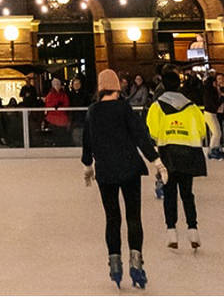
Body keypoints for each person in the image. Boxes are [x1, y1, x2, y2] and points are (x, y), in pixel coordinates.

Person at [82, 70, 167, 289]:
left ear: (100, 88)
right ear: (117, 88)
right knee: (133, 217)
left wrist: (88, 165)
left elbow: (87, 141)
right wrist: (155, 160)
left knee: (112, 219)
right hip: (129, 169)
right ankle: (136, 265)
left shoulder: (92, 111)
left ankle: (115, 265)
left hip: (106, 171)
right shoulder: (123, 108)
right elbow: (140, 135)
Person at [146, 69, 207, 250]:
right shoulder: (191, 106)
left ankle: (171, 231)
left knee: (170, 193)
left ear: (163, 85)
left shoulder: (157, 106)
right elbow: (202, 130)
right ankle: (193, 230)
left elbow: (152, 131)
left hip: (168, 153)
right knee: (187, 194)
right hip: (188, 152)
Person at [201, 73, 224, 160]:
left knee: (218, 132)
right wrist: (222, 97)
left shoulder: (210, 91)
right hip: (210, 113)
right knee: (216, 132)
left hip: (212, 113)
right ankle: (212, 150)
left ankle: (215, 148)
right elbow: (215, 104)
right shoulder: (209, 93)